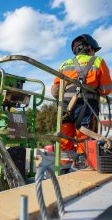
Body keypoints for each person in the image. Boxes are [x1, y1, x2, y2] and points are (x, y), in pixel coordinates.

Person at [51, 34, 112, 172]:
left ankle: (63, 170)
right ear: (89, 48)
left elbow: (55, 90)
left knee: (65, 139)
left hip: (65, 107)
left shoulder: (65, 64)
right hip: (87, 106)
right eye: (93, 50)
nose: (94, 53)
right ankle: (81, 168)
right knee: (84, 138)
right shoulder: (98, 61)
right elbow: (106, 89)